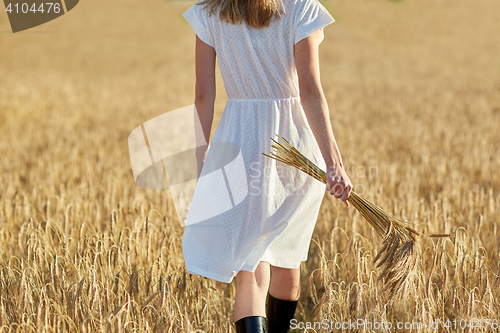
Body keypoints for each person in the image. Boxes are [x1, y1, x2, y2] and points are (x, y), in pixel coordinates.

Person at [181, 0, 352, 331]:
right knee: (287, 259)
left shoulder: (209, 11)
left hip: (240, 141)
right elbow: (310, 91)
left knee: (251, 262)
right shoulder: (302, 7)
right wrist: (334, 163)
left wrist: (200, 156)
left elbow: (204, 94)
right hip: (296, 147)